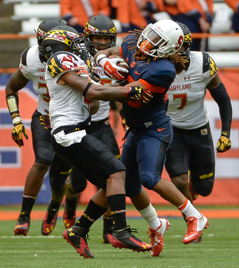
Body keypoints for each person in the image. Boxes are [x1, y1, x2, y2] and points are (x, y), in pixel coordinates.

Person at [94, 19, 209, 257]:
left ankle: (195, 215)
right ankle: (157, 225)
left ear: (168, 48)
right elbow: (107, 51)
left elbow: (129, 94)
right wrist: (102, 60)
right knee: (129, 185)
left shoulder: (163, 70)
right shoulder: (132, 42)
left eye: (157, 40)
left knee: (150, 178)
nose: (148, 42)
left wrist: (99, 84)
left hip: (154, 129)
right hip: (136, 128)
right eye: (150, 35)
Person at [41, 27, 153, 258]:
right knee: (118, 171)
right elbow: (93, 90)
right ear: (64, 44)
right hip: (69, 133)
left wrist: (102, 88)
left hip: (77, 131)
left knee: (110, 184)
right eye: (76, 42)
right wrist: (128, 91)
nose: (83, 45)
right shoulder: (60, 58)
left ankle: (78, 230)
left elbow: (91, 101)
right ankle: (120, 231)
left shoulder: (77, 62)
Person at [41, 15, 123, 243]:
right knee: (75, 183)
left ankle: (111, 229)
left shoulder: (111, 57)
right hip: (73, 129)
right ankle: (61, 207)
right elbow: (93, 94)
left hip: (98, 124)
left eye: (106, 39)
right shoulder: (68, 59)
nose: (102, 43)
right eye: (97, 37)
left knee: (114, 174)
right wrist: (127, 92)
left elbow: (99, 98)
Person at [5, 18, 70, 236]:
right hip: (44, 116)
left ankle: (53, 208)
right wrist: (16, 120)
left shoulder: (75, 58)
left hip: (69, 120)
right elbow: (11, 88)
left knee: (60, 177)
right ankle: (24, 216)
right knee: (42, 161)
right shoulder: (31, 58)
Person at [165, 22, 232, 220]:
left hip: (198, 128)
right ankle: (193, 219)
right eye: (173, 46)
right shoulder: (155, 67)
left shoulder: (202, 63)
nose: (178, 51)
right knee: (178, 180)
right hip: (170, 129)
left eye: (181, 46)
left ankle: (192, 191)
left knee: (205, 187)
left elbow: (223, 99)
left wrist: (226, 133)